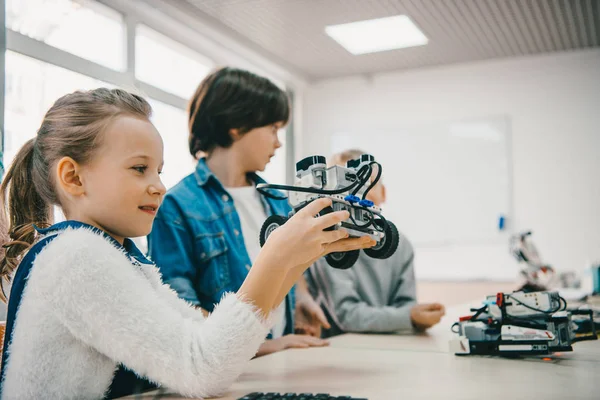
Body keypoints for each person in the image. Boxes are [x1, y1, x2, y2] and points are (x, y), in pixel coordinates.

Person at [0, 88, 374, 399]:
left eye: (159, 171)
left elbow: (198, 335)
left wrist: (293, 263)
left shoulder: (113, 255)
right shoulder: (75, 258)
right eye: (139, 168)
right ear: (73, 177)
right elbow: (201, 367)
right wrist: (276, 257)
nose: (159, 185)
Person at [148, 67, 332, 355]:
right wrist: (265, 347)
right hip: (226, 379)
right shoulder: (176, 206)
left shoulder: (277, 199)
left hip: (280, 365)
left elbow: (288, 263)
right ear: (236, 124)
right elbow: (183, 317)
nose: (278, 141)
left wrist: (302, 299)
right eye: (272, 128)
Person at [307, 149, 445, 337]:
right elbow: (346, 314)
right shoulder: (327, 242)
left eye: (367, 183)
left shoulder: (401, 244)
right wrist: (409, 317)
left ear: (383, 193)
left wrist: (412, 316)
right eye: (345, 183)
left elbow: (406, 305)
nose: (358, 192)